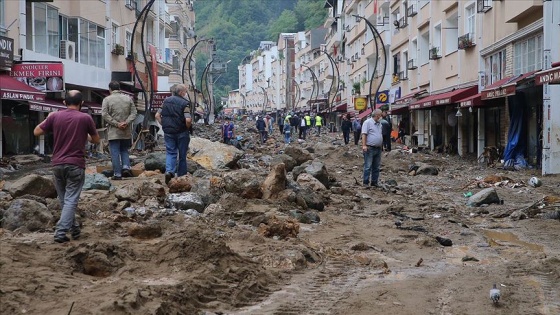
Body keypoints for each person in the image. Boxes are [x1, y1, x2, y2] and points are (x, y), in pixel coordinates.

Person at [33, 90, 100, 243]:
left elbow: (36, 131)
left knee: (65, 200)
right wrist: (86, 135)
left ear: (64, 102)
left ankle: (74, 229)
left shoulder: (55, 116)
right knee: (70, 200)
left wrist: (48, 118)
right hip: (75, 164)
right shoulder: (85, 118)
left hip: (57, 164)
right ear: (81, 103)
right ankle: (61, 232)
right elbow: (96, 140)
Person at [155, 84, 192, 185]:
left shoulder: (165, 101)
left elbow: (157, 115)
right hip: (181, 132)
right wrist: (187, 127)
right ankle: (181, 176)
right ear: (180, 92)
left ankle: (170, 171)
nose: (185, 94)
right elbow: (188, 119)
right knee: (182, 155)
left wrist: (164, 125)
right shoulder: (185, 103)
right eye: (184, 92)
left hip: (168, 132)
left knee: (171, 152)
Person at [101, 81, 137, 180]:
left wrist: (116, 123)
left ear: (110, 89)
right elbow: (134, 112)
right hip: (126, 130)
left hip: (114, 131)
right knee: (124, 149)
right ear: (119, 88)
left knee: (115, 152)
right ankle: (126, 167)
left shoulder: (107, 99)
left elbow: (104, 114)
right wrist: (126, 122)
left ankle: (117, 174)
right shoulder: (128, 98)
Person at [361, 109, 383, 187]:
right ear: (377, 115)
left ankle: (374, 182)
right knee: (368, 166)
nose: (381, 117)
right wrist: (364, 145)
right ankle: (366, 182)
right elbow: (364, 134)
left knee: (376, 167)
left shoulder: (379, 124)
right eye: (381, 115)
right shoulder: (367, 123)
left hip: (378, 148)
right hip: (369, 148)